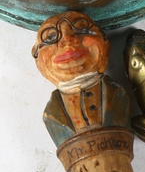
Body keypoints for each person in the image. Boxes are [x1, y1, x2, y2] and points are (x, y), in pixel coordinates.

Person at [32, 11, 130, 147]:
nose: (67, 40)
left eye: (81, 28)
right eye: (50, 37)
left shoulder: (117, 94)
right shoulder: (52, 113)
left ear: (105, 43)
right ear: (37, 60)